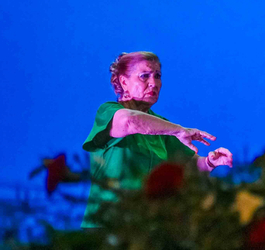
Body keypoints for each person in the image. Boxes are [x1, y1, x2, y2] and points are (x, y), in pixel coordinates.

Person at [82, 52, 234, 227]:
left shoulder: (163, 127)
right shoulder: (108, 111)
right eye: (144, 76)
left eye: (157, 76)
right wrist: (178, 130)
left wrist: (209, 162)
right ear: (124, 82)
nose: (153, 83)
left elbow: (189, 165)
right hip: (108, 226)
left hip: (145, 230)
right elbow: (129, 121)